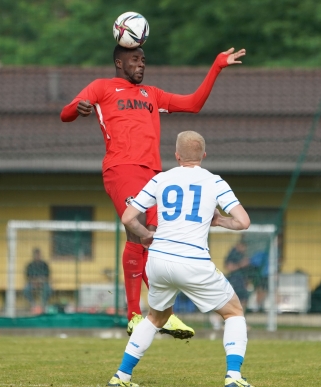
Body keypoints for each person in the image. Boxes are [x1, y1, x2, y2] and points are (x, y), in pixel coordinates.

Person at [60, 43, 246, 339]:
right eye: (135, 59)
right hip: (121, 168)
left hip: (153, 174)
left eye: (144, 60)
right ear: (120, 64)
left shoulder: (152, 94)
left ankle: (160, 314)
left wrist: (217, 66)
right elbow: (65, 114)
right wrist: (77, 107)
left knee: (156, 239)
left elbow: (193, 104)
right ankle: (134, 314)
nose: (141, 64)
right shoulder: (101, 87)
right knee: (137, 232)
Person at [108, 131, 254, 387]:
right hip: (192, 260)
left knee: (155, 317)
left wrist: (145, 236)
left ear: (176, 156)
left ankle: (121, 376)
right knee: (233, 312)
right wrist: (219, 221)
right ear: (204, 156)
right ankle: (233, 377)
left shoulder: (161, 178)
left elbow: (128, 217)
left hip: (159, 260)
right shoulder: (215, 182)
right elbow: (243, 222)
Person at [23, 248, 52, 314]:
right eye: (36, 255)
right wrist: (34, 282)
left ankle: (43, 305)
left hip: (43, 282)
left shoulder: (44, 265)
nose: (37, 256)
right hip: (32, 283)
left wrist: (41, 281)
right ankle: (33, 304)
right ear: (34, 256)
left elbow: (47, 276)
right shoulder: (30, 265)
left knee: (48, 289)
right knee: (26, 289)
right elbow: (28, 276)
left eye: (39, 255)